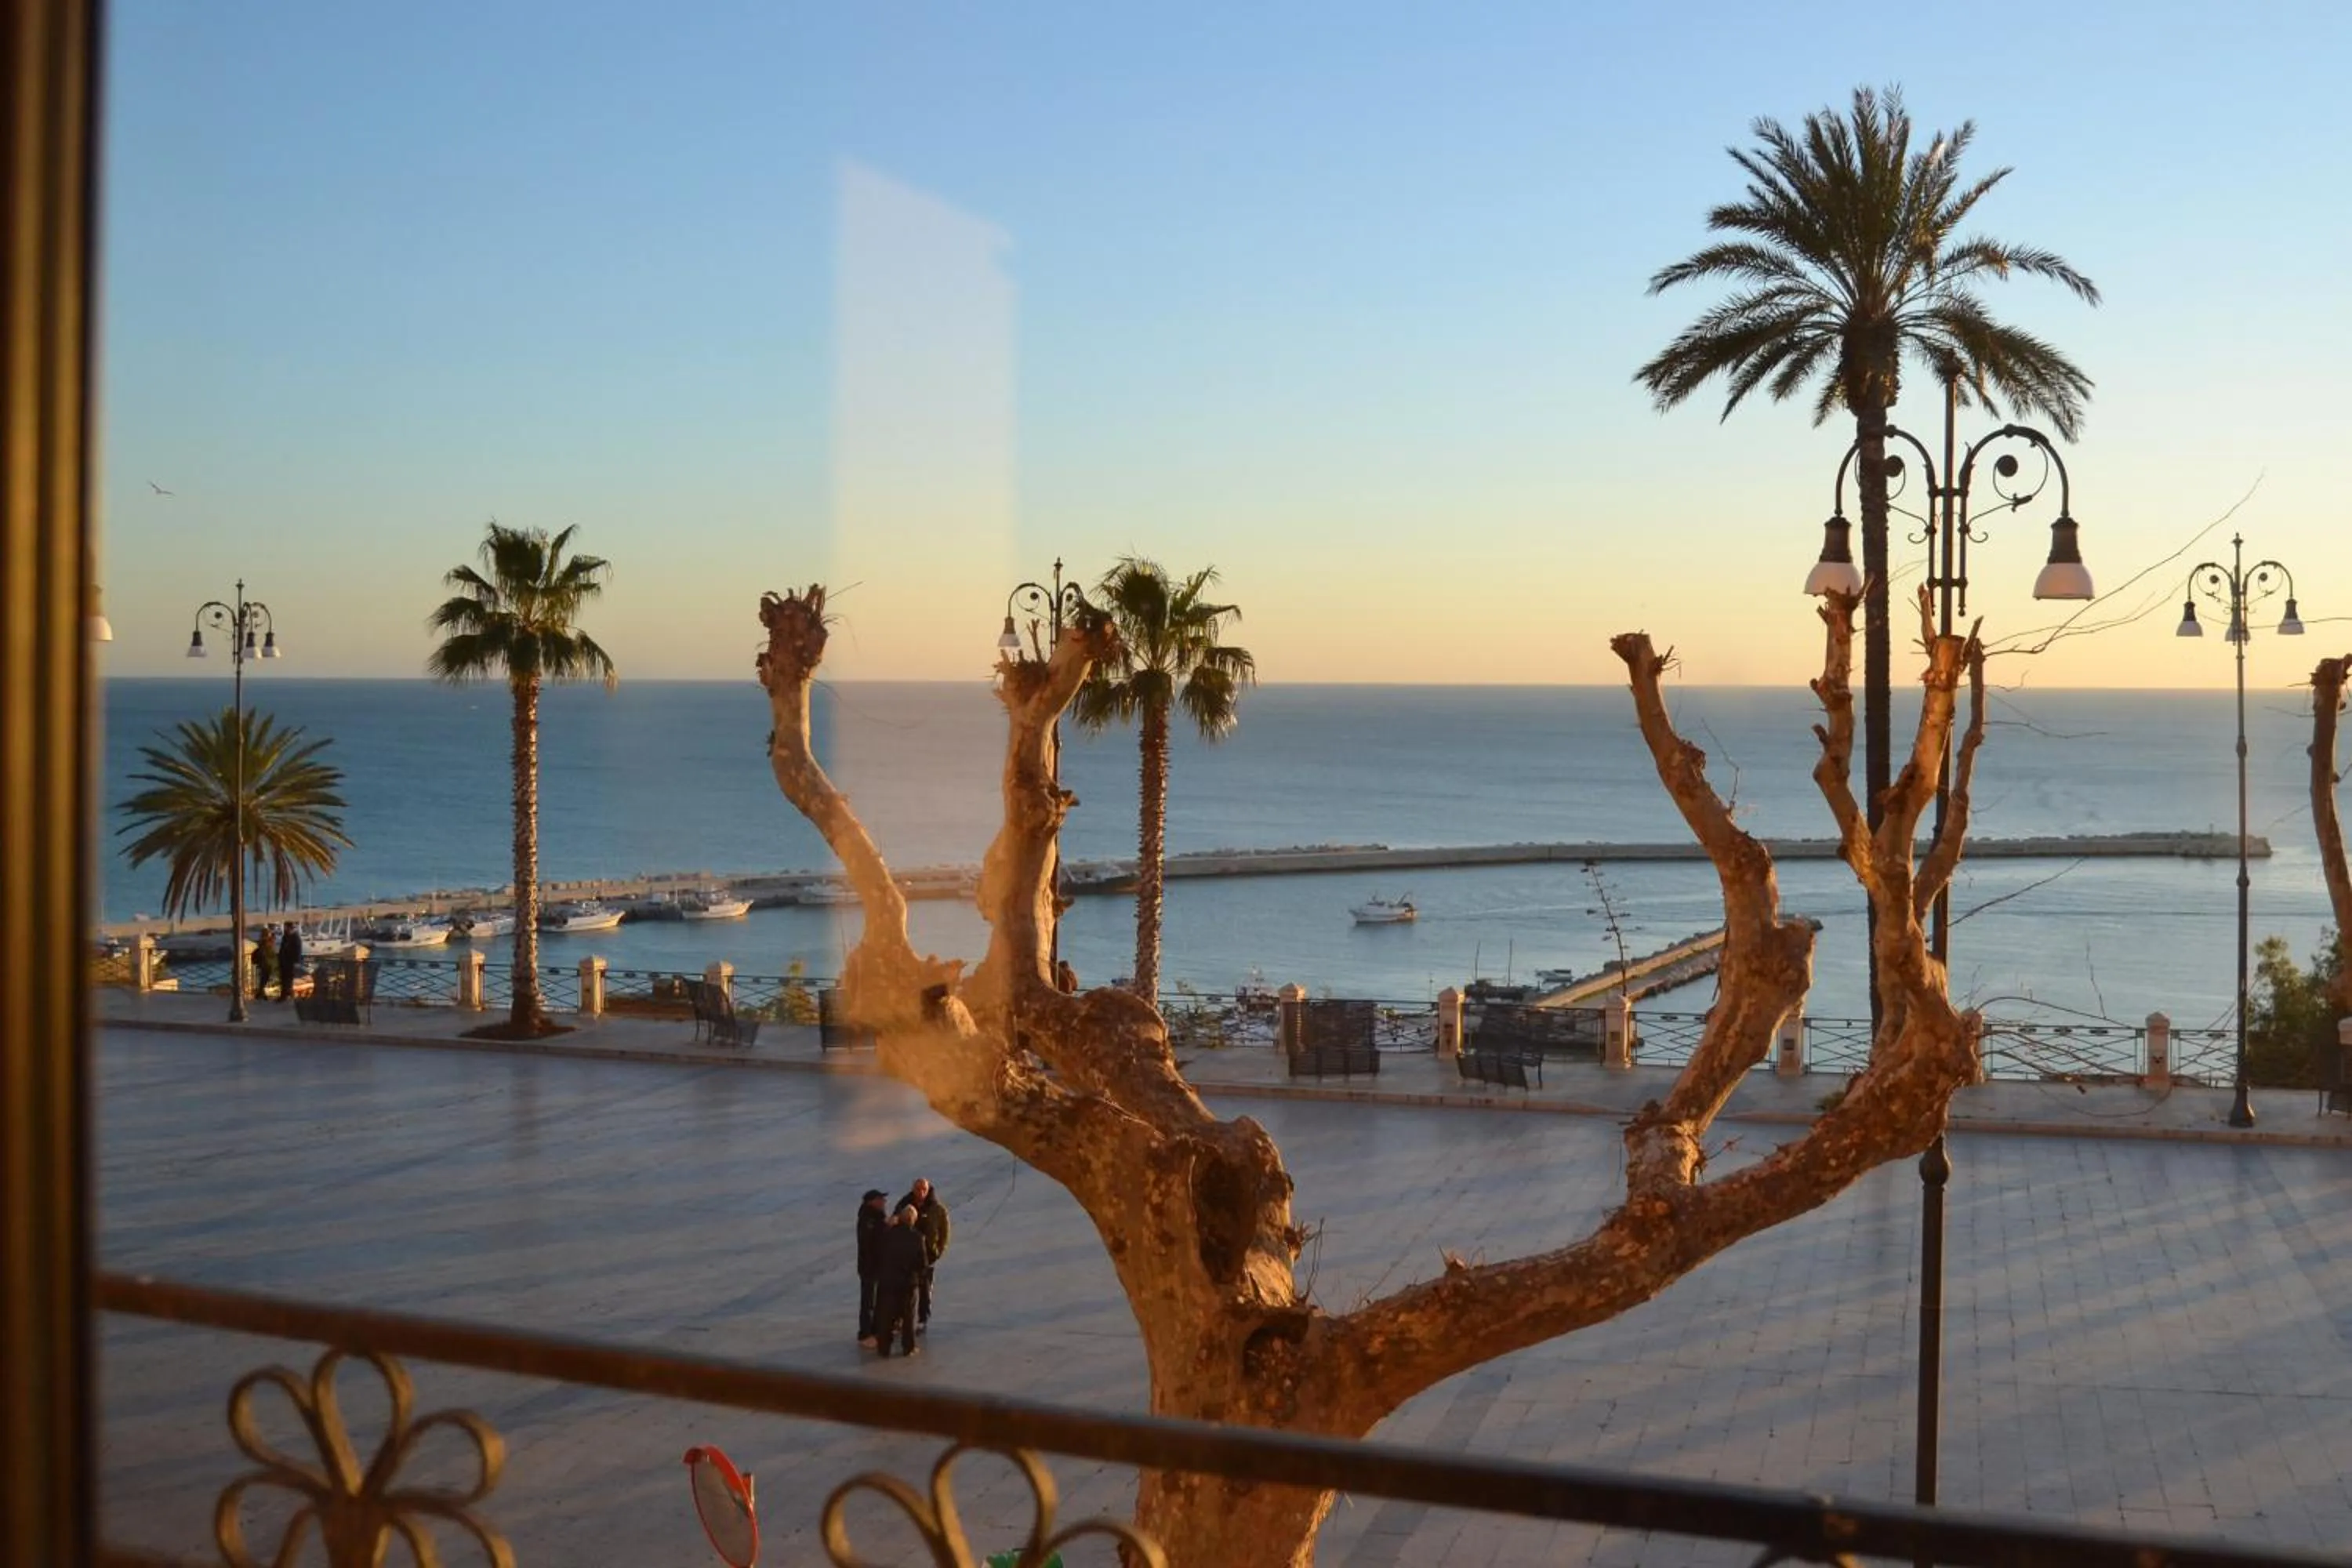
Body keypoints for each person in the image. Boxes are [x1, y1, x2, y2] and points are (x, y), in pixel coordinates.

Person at [894, 1178, 950, 1332]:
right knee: (903, 1289)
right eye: (918, 1189)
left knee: (925, 1289)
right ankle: (899, 1318)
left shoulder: (937, 1209)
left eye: (923, 1189)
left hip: (928, 1256)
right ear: (913, 1189)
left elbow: (944, 1233)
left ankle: (922, 1319)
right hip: (906, 1256)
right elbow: (895, 1222)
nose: (921, 1192)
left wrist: (937, 1251)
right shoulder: (904, 1205)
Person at [872, 1204, 927, 1358]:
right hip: (908, 1284)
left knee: (886, 1316)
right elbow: (922, 1263)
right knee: (908, 1317)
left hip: (887, 1281)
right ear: (913, 1221)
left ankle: (884, 1348)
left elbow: (878, 1253)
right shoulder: (918, 1238)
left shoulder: (888, 1235)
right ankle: (908, 1347)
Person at [855, 1189, 889, 1348]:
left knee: (876, 1301)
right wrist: (887, 1227)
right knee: (868, 1301)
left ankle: (875, 1330)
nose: (884, 1202)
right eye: (881, 1199)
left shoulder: (877, 1218)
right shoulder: (867, 1219)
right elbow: (871, 1243)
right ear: (872, 1202)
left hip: (879, 1266)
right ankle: (865, 1334)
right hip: (870, 1267)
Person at [276, 921, 303, 1003]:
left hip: (290, 962)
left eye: (286, 927)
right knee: (284, 979)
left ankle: (287, 995)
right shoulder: (286, 936)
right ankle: (286, 994)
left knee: (288, 979)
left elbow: (298, 951)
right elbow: (282, 949)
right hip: (284, 961)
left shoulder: (295, 937)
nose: (284, 929)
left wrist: (296, 962)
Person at [251, 925, 275, 1000]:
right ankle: (261, 994)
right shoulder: (266, 942)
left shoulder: (264, 942)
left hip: (264, 963)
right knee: (264, 979)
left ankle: (260, 994)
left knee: (264, 979)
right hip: (266, 963)